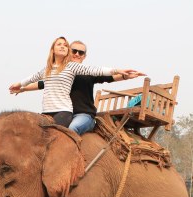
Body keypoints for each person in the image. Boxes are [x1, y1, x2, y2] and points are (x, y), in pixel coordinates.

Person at [9, 36, 145, 128]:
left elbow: (108, 76)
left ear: (84, 56)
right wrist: (22, 88)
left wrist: (125, 74)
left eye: (81, 52)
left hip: (82, 114)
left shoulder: (87, 73)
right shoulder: (61, 73)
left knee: (72, 128)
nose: (77, 54)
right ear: (69, 52)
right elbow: (41, 83)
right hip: (60, 111)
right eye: (74, 51)